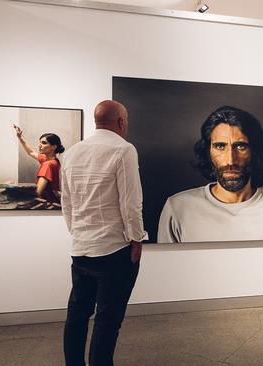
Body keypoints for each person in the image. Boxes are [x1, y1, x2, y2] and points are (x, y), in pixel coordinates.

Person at [60, 100, 147, 366]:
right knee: (107, 321)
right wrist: (137, 238)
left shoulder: (73, 152)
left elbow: (67, 202)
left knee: (76, 315)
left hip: (81, 249)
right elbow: (131, 203)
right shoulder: (123, 150)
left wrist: (77, 232)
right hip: (114, 250)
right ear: (121, 122)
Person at [157, 105, 263, 243]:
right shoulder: (177, 207)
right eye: (220, 146)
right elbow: (167, 268)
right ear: (208, 152)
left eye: (240, 146)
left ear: (255, 151)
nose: (230, 160)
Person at [13, 125, 65, 205]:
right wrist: (20, 137)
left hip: (47, 202)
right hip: (52, 199)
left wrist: (15, 190)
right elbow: (30, 152)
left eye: (44, 143)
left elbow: (38, 192)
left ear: (54, 147)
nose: (39, 145)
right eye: (40, 142)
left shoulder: (47, 164)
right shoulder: (53, 160)